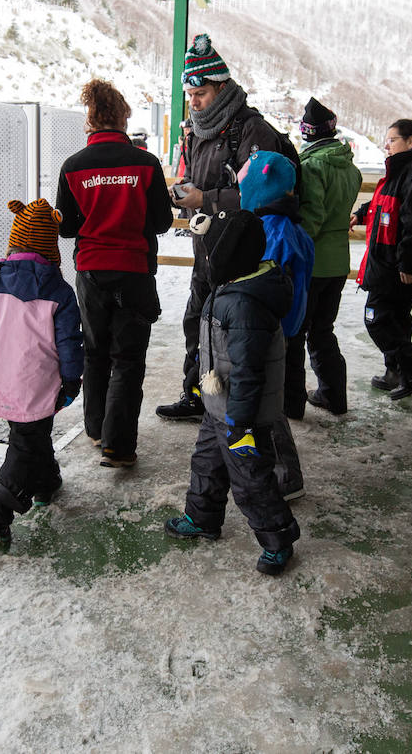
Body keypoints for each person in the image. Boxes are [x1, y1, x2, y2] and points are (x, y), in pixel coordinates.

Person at [157, 33, 296, 423]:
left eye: (200, 93)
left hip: (241, 255)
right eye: (190, 94)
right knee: (195, 323)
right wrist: (185, 191)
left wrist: (206, 200)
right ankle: (196, 395)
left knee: (235, 334)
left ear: (220, 85)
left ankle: (235, 406)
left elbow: (261, 198)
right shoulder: (200, 130)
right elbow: (200, 180)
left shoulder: (252, 131)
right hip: (207, 249)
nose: (194, 101)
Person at [164, 209, 301, 576]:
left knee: (250, 479)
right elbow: (214, 345)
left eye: (213, 254)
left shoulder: (245, 303)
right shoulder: (228, 290)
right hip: (217, 407)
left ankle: (277, 539)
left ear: (229, 257)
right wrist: (197, 370)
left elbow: (248, 371)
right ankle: (202, 518)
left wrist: (240, 421)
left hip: (243, 416)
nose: (208, 261)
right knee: (206, 465)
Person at [54, 78, 173, 467]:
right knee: (127, 359)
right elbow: (160, 222)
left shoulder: (73, 166)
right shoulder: (146, 164)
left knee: (95, 353)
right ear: (123, 119)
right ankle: (118, 447)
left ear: (89, 122)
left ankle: (95, 430)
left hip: (90, 272)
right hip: (134, 271)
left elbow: (66, 228)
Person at [0, 198, 83, 545]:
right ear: (51, 247)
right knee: (24, 442)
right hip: (38, 385)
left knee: (31, 436)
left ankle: (46, 482)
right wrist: (71, 379)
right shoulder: (59, 292)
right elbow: (69, 343)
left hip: (0, 380)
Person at [351, 119, 412, 400]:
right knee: (398, 318)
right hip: (391, 260)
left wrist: (407, 264)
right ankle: (396, 372)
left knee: (376, 318)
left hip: (396, 265)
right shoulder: (404, 169)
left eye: (392, 139)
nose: (386, 145)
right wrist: (364, 212)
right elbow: (387, 202)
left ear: (411, 141)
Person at [237, 149, 313, 499]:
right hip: (269, 329)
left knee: (267, 405)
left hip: (268, 331)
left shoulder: (273, 232)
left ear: (260, 185)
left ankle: (287, 475)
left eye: (244, 180)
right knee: (258, 401)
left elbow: (267, 289)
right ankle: (258, 466)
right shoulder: (284, 226)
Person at [287, 98, 363, 417]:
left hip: (312, 263)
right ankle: (333, 395)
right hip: (337, 261)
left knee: (295, 333)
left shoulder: (311, 166)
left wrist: (289, 243)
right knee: (323, 330)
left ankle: (290, 405)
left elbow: (313, 217)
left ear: (307, 133)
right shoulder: (351, 168)